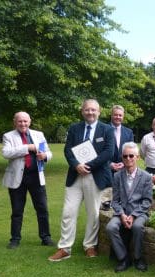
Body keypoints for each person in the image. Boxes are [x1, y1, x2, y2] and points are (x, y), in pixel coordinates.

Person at [49, 99, 114, 261]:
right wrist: (76, 165)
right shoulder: (74, 128)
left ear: (99, 112)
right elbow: (68, 150)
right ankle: (65, 247)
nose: (90, 113)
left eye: (93, 110)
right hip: (75, 176)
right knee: (68, 211)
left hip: (95, 176)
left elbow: (108, 152)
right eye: (87, 110)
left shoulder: (107, 129)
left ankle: (90, 245)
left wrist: (89, 166)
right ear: (82, 111)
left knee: (93, 212)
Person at [2, 112, 54, 249]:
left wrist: (45, 156)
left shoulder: (38, 135)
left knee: (42, 208)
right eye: (20, 121)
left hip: (36, 177)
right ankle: (15, 239)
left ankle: (46, 237)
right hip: (17, 178)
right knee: (17, 210)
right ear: (15, 122)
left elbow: (49, 152)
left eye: (25, 121)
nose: (23, 124)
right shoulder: (8, 136)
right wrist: (28, 148)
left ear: (30, 122)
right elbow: (6, 153)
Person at [106, 142, 152, 273]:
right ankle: (124, 258)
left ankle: (138, 258)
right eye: (125, 156)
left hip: (139, 213)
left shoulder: (146, 177)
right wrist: (121, 215)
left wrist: (133, 215)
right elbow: (115, 201)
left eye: (131, 156)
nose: (128, 159)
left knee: (137, 226)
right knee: (110, 227)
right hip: (121, 213)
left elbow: (147, 201)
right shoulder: (117, 176)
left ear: (137, 157)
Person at [101, 105, 134, 209]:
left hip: (124, 170)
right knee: (105, 200)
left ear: (123, 117)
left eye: (120, 115)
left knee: (123, 198)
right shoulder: (102, 130)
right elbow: (99, 151)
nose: (118, 117)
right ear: (111, 115)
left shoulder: (128, 132)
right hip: (106, 170)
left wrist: (124, 163)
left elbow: (131, 151)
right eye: (116, 115)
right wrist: (109, 164)